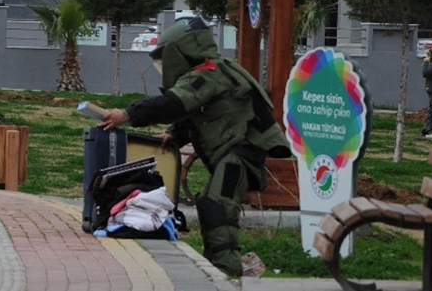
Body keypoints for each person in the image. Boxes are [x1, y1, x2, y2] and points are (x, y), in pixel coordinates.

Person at [99, 17, 290, 276]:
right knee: (212, 203)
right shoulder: (216, 70)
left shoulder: (207, 73)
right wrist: (176, 134)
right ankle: (217, 266)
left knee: (219, 204)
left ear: (180, 52)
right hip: (240, 149)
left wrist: (127, 114)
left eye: (163, 61)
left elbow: (174, 104)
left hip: (242, 151)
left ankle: (227, 269)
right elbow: (205, 112)